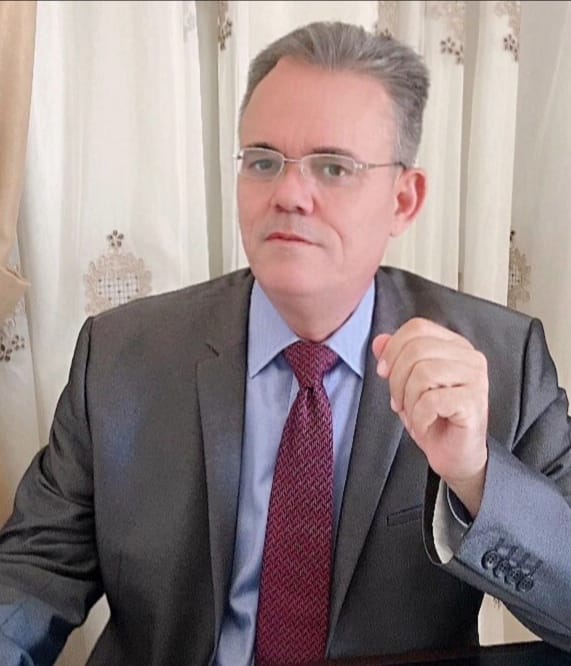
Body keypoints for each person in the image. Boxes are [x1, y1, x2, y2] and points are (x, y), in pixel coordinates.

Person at [1, 20, 570, 666]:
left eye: (333, 167)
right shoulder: (122, 356)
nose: (290, 194)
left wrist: (475, 475)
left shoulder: (499, 362)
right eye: (264, 162)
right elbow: (32, 576)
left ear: (404, 200)